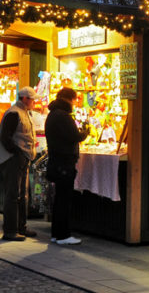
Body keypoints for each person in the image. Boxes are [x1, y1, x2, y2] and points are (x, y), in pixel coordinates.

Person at [45, 87, 90, 245]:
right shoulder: (63, 116)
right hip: (64, 163)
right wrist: (85, 132)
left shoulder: (53, 114)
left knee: (59, 200)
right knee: (64, 199)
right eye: (74, 100)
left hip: (56, 162)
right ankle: (64, 235)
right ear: (69, 99)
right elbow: (75, 136)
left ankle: (56, 234)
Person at [0, 86, 38, 241]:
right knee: (13, 195)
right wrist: (17, 152)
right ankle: (10, 230)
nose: (34, 102)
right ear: (25, 99)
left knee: (22, 194)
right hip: (14, 159)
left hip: (21, 157)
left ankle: (21, 227)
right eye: (32, 99)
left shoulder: (23, 113)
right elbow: (5, 137)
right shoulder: (14, 113)